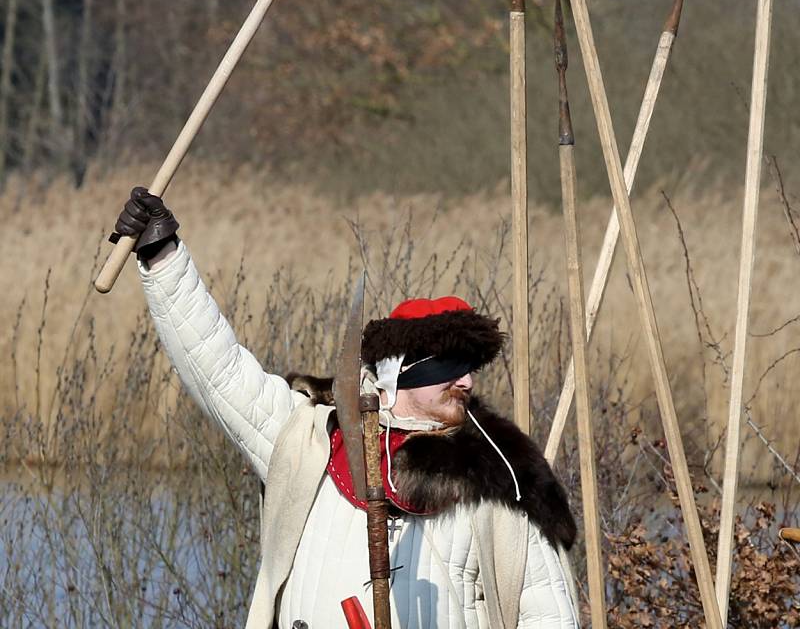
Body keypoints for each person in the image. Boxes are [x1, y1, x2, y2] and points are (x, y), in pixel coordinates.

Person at [114, 186, 580, 629]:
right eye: (451, 367)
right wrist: (163, 255)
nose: (468, 381)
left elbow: (546, 611)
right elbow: (219, 370)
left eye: (471, 367)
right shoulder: (313, 441)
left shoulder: (502, 475)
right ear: (400, 371)